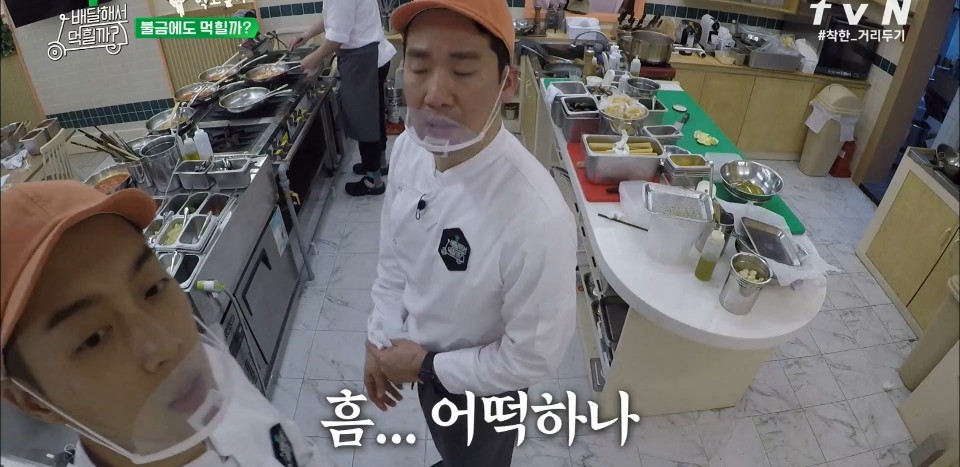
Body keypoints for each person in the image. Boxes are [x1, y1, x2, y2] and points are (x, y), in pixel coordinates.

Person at [361, 0, 578, 465]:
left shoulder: (537, 217)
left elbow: (531, 357)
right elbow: (394, 256)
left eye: (462, 71)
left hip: (484, 388)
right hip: (417, 357)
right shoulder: (409, 151)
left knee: (475, 457)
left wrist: (426, 367)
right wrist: (379, 338)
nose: (435, 95)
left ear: (507, 83)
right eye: (419, 67)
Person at [0, 181, 321, 467]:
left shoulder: (201, 377)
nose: (167, 346)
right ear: (31, 400)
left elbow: (294, 449)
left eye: (152, 289)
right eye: (94, 338)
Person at [291, 0, 396, 197]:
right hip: (372, 55)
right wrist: (306, 35)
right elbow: (333, 17)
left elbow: (336, 38)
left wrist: (310, 61)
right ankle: (378, 164)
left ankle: (374, 181)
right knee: (372, 115)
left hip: (363, 60)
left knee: (364, 120)